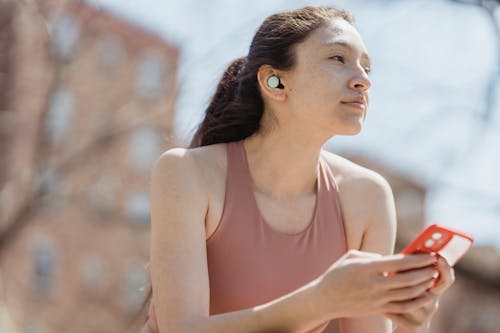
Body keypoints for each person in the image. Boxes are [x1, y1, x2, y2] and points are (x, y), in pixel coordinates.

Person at [143, 6, 455, 333]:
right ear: (275, 83)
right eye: (338, 58)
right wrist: (321, 300)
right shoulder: (186, 173)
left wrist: (411, 322)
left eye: (367, 67)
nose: (364, 80)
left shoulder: (368, 197)